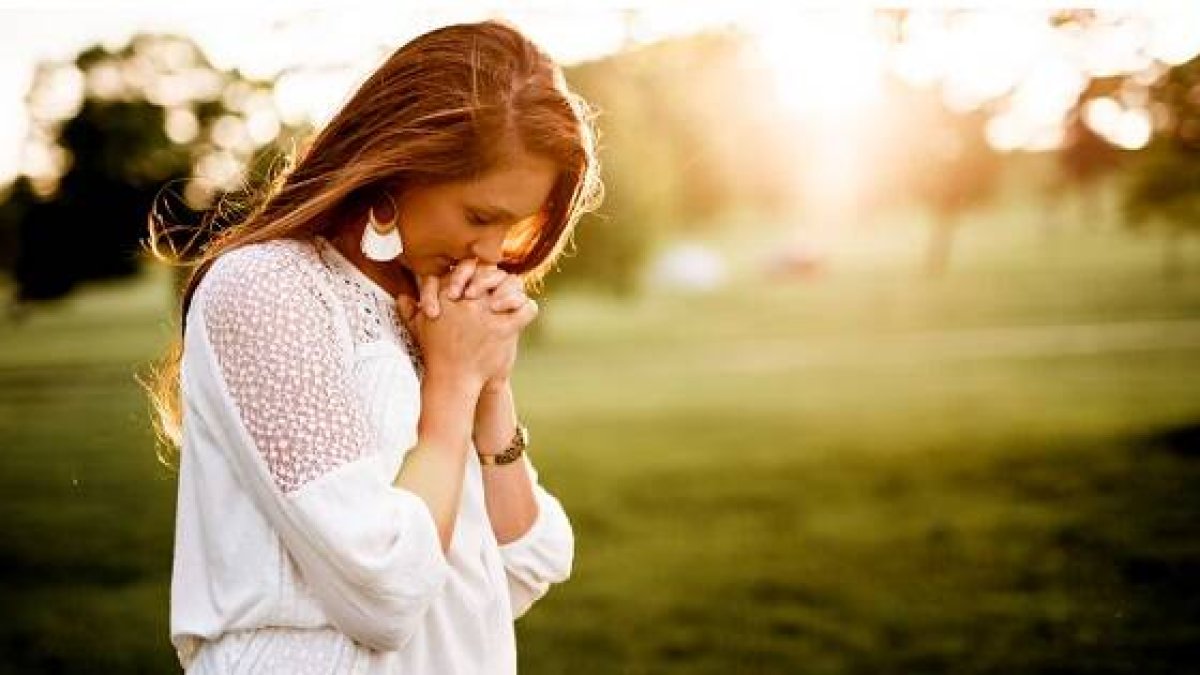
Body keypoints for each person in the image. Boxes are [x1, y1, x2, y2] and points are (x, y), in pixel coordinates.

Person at [142, 19, 603, 674]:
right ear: (403, 165)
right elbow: (384, 590)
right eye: (479, 216)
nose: (494, 254)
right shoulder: (269, 290)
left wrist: (488, 386)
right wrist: (448, 397)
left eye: (512, 225)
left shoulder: (432, 308)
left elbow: (521, 567)